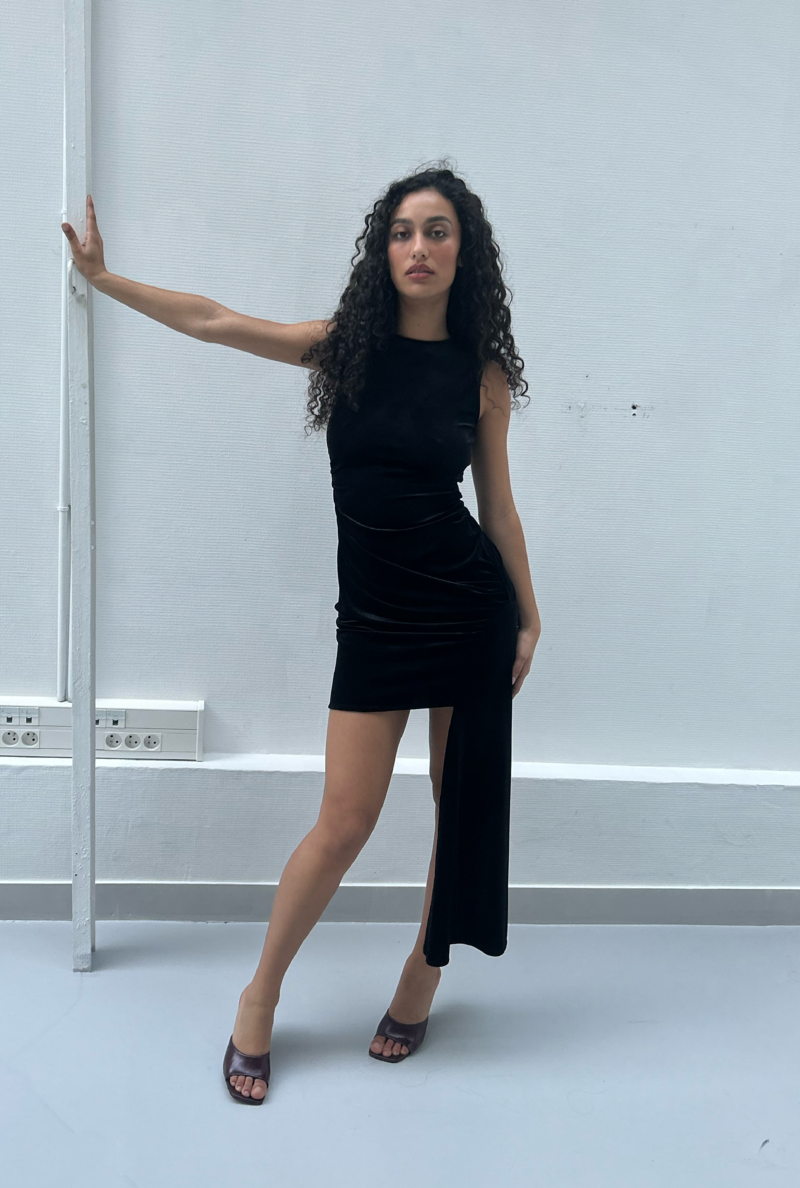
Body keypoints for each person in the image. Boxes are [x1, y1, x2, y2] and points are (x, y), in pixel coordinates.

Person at [61, 163, 541, 1106]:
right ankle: (261, 995)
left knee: (461, 809)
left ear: (465, 252)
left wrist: (528, 613)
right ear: (382, 251)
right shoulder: (343, 350)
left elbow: (500, 508)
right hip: (377, 619)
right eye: (402, 232)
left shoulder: (482, 376)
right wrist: (105, 281)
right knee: (344, 823)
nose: (418, 247)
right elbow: (215, 320)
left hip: (468, 608)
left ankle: (422, 977)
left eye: (437, 231)